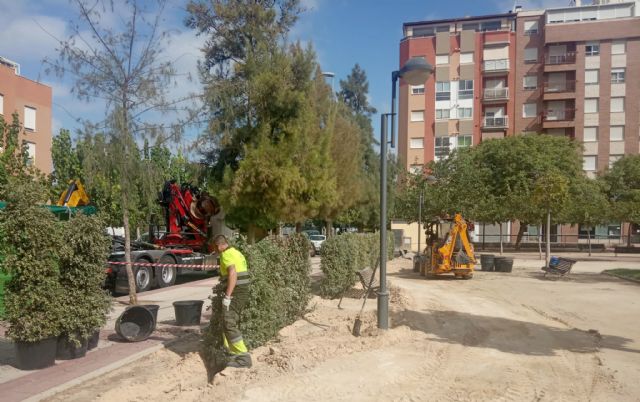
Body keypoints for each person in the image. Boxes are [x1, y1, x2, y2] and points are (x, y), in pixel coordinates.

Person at [212, 234, 252, 369]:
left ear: (218, 246)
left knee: (229, 321)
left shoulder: (226, 254)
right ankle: (232, 353)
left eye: (215, 248)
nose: (216, 251)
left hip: (236, 293)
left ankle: (242, 357)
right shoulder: (236, 252)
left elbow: (233, 274)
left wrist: (228, 296)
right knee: (226, 320)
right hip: (242, 291)